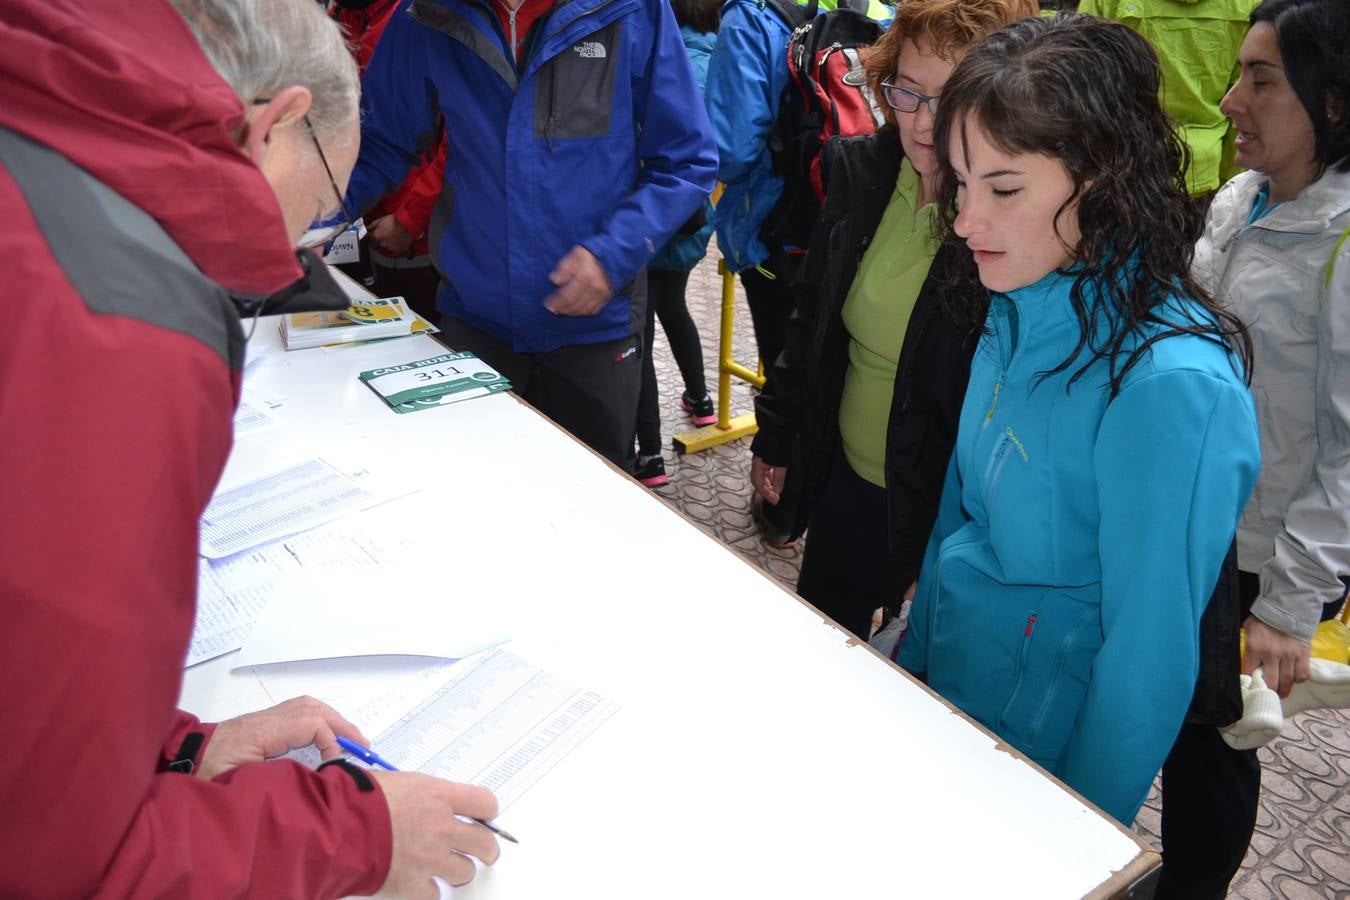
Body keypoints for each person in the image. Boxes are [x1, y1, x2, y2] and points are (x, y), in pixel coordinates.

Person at [0, 1, 500, 896]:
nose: (296, 253)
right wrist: (357, 835)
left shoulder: (42, 138)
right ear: (273, 128)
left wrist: (175, 748)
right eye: (319, 207)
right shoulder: (125, 324)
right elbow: (63, 867)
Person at [897, 14, 1262, 826]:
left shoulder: (1172, 387)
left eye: (1003, 188)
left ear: (1103, 178)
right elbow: (959, 518)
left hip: (1041, 758)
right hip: (948, 701)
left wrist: (1073, 836)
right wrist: (910, 667)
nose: (964, 222)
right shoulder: (1017, 299)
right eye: (961, 183)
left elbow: (1148, 662)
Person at [748, 0, 1038, 639]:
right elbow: (813, 321)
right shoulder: (865, 172)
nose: (925, 122)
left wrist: (941, 551)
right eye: (908, 92)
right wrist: (779, 434)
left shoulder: (1011, 224)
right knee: (823, 649)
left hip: (941, 512)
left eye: (952, 96)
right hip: (844, 485)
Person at [347, 0, 718, 473]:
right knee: (472, 495)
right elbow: (379, 141)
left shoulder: (632, 9)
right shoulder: (427, 12)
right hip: (476, 320)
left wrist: (614, 253)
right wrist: (313, 216)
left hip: (595, 332)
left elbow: (687, 159)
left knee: (590, 503)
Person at [1177, 0, 1350, 893]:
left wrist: (1289, 604)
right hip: (1191, 514)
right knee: (1169, 714)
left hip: (1258, 548)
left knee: (1216, 745)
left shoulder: (1345, 239)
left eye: (1261, 78)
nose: (1229, 98)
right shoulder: (1242, 197)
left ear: (1333, 100)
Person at [704, 0, 886, 543]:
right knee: (835, 360)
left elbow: (732, 150)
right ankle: (827, 495)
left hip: (774, 235)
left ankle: (782, 509)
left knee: (785, 364)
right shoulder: (855, 12)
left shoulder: (750, 20)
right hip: (845, 223)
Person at [633, 0, 722, 488]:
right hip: (693, 220)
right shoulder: (718, 59)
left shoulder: (666, 60)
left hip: (653, 217)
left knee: (640, 327)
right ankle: (701, 398)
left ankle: (649, 452)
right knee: (674, 305)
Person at [328, 0, 448, 323]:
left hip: (423, 238)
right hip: (365, 222)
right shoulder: (336, 19)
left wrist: (410, 219)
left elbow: (458, 144)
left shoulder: (414, 16)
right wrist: (320, 219)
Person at [1078, 0, 1259, 197]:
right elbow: (1245, 104)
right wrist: (1229, 180)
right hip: (1203, 174)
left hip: (1125, 169)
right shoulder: (1247, 5)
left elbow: (1083, 82)